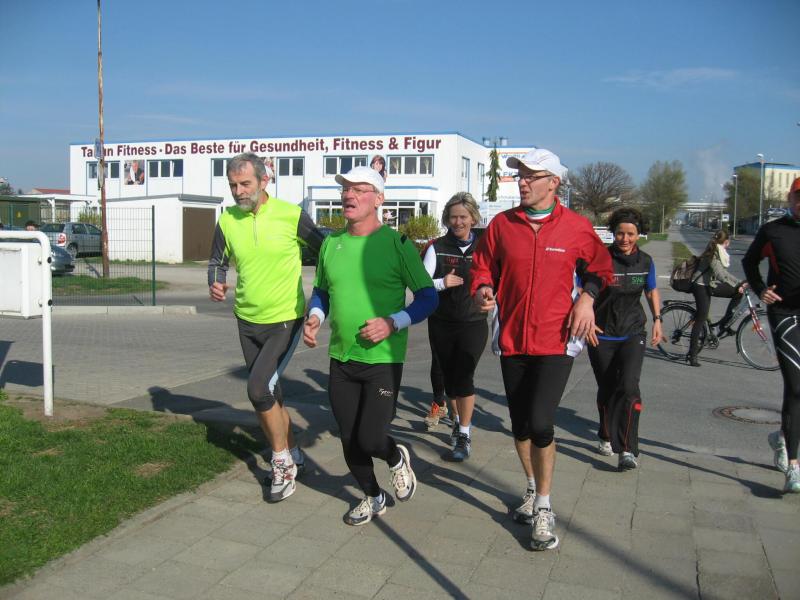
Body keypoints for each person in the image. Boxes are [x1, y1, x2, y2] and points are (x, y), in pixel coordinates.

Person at [470, 148, 612, 551]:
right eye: (521, 176)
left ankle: (545, 508)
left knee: (540, 421)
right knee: (519, 423)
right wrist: (483, 288)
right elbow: (483, 265)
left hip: (556, 339)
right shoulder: (502, 225)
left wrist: (587, 299)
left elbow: (601, 269)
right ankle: (531, 487)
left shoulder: (576, 227)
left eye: (532, 176)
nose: (523, 182)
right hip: (512, 337)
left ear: (554, 183)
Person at [303, 166, 437, 526]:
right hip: (342, 357)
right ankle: (373, 497)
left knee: (372, 438)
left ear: (379, 199)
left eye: (359, 189)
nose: (349, 195)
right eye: (346, 189)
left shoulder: (397, 244)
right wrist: (315, 315)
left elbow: (428, 297)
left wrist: (394, 321)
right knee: (350, 440)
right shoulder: (331, 244)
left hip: (382, 359)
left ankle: (395, 457)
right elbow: (322, 291)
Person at [208, 152, 324, 502]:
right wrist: (215, 281)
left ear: (264, 181)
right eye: (233, 185)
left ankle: (282, 465)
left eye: (245, 184)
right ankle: (294, 453)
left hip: (285, 319)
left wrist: (322, 302)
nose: (238, 192)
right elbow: (217, 260)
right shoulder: (227, 219)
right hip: (246, 320)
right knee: (272, 394)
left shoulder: (291, 215)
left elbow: (327, 252)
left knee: (258, 389)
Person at [586, 208, 662, 471]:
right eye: (620, 233)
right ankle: (605, 433)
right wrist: (587, 321)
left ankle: (627, 449)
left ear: (639, 234)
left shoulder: (646, 261)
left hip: (633, 332)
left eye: (630, 234)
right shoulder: (601, 259)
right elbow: (585, 292)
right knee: (607, 388)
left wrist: (658, 319)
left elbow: (651, 290)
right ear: (613, 233)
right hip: (602, 333)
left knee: (629, 387)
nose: (625, 239)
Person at [743, 177, 800, 493]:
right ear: (790, 198)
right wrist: (760, 289)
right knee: (796, 386)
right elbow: (749, 261)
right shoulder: (773, 230)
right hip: (785, 314)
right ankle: (794, 466)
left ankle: (782, 437)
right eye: (798, 197)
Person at [422, 192, 487, 461]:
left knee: (464, 376)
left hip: (473, 322)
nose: (458, 222)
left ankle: (464, 433)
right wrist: (441, 283)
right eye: (453, 217)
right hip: (442, 323)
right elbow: (421, 284)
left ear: (473, 218)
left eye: (463, 217)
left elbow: (497, 277)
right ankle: (457, 421)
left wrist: (491, 295)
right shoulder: (437, 247)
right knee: (450, 380)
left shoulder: (484, 247)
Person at [687, 229, 746, 367]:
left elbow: (723, 273)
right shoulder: (712, 253)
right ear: (726, 242)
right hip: (700, 286)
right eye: (728, 243)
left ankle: (724, 324)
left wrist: (739, 284)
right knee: (701, 318)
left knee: (738, 293)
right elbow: (720, 275)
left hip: (709, 285)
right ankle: (692, 355)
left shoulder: (717, 251)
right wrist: (739, 283)